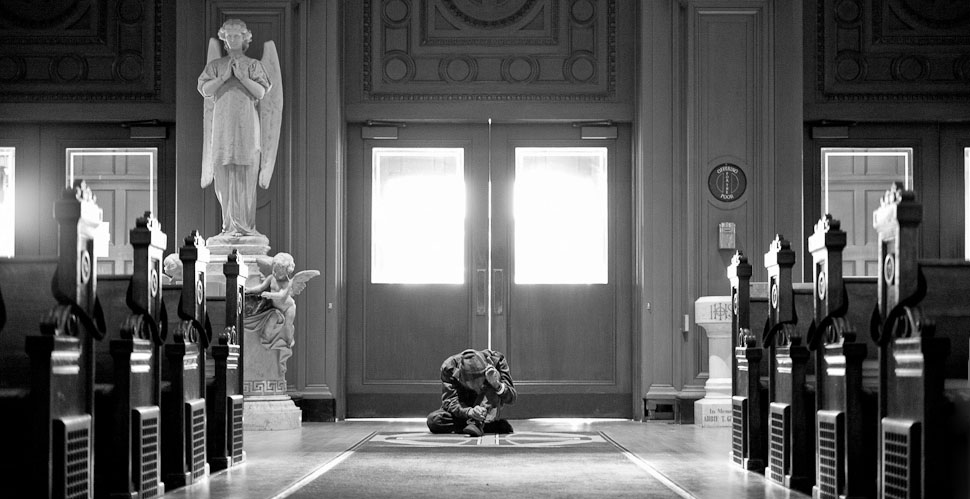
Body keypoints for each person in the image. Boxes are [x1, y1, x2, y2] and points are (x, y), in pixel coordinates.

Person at [197, 19, 276, 239]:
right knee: (223, 173)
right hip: (223, 127)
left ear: (245, 39)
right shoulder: (216, 66)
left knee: (245, 174)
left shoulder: (253, 65)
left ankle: (245, 227)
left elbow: (261, 93)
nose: (233, 40)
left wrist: (241, 77)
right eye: (229, 36)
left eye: (237, 36)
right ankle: (228, 226)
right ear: (224, 39)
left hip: (246, 127)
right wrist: (224, 77)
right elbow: (205, 89)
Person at [244, 252, 318, 375]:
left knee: (288, 325)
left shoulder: (288, 283)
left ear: (287, 272)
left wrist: (269, 295)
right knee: (272, 319)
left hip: (288, 307)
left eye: (278, 272)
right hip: (275, 309)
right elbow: (260, 287)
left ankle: (288, 341)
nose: (274, 273)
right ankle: (266, 338)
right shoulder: (271, 278)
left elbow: (281, 295)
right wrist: (249, 290)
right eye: (273, 270)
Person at [426, 348, 517, 437]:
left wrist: (497, 385)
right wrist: (469, 412)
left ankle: (478, 423)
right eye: (472, 384)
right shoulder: (449, 368)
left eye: (480, 382)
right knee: (434, 420)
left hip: (486, 407)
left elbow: (512, 398)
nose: (477, 387)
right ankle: (484, 424)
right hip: (464, 407)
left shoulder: (497, 360)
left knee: (493, 381)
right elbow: (449, 401)